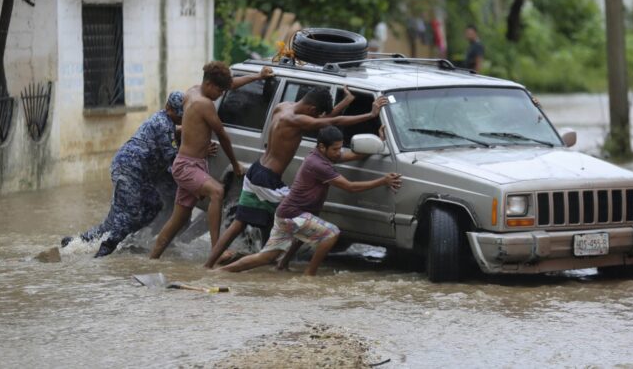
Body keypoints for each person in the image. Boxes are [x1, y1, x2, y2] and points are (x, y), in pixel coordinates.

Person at [203, 86, 388, 268]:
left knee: (239, 223)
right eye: (316, 114)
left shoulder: (283, 106)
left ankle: (209, 265)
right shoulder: (297, 120)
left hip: (256, 170)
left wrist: (345, 102)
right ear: (312, 110)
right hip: (268, 180)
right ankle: (277, 262)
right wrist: (371, 115)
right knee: (301, 212)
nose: (316, 118)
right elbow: (333, 120)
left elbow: (323, 120)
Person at [216, 126, 402, 276]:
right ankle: (309, 276)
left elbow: (352, 155)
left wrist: (380, 144)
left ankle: (225, 271)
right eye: (335, 149)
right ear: (322, 147)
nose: (339, 152)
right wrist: (383, 180)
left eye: (340, 147)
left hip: (289, 214)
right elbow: (350, 186)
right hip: (292, 215)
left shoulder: (320, 156)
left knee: (266, 257)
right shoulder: (318, 165)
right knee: (331, 234)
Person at [149, 62, 274, 259]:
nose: (222, 94)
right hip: (187, 166)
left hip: (190, 163)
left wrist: (257, 77)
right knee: (217, 192)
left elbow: (230, 84)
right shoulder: (204, 104)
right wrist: (235, 165)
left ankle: (152, 259)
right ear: (209, 84)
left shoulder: (192, 92)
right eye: (220, 90)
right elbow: (223, 136)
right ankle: (217, 251)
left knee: (177, 220)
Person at [61, 91, 185, 257]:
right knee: (130, 214)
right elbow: (172, 158)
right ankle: (104, 251)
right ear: (169, 107)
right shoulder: (164, 125)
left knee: (151, 206)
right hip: (129, 169)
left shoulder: (165, 121)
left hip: (137, 172)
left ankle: (77, 242)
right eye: (179, 114)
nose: (181, 118)